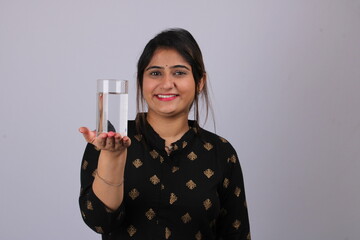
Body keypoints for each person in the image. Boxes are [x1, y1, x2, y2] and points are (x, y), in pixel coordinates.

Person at [79, 28, 251, 240]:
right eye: (155, 73)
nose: (167, 84)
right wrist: (112, 158)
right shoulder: (108, 142)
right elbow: (99, 222)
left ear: (200, 82)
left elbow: (237, 234)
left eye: (179, 72)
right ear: (141, 81)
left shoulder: (221, 152)